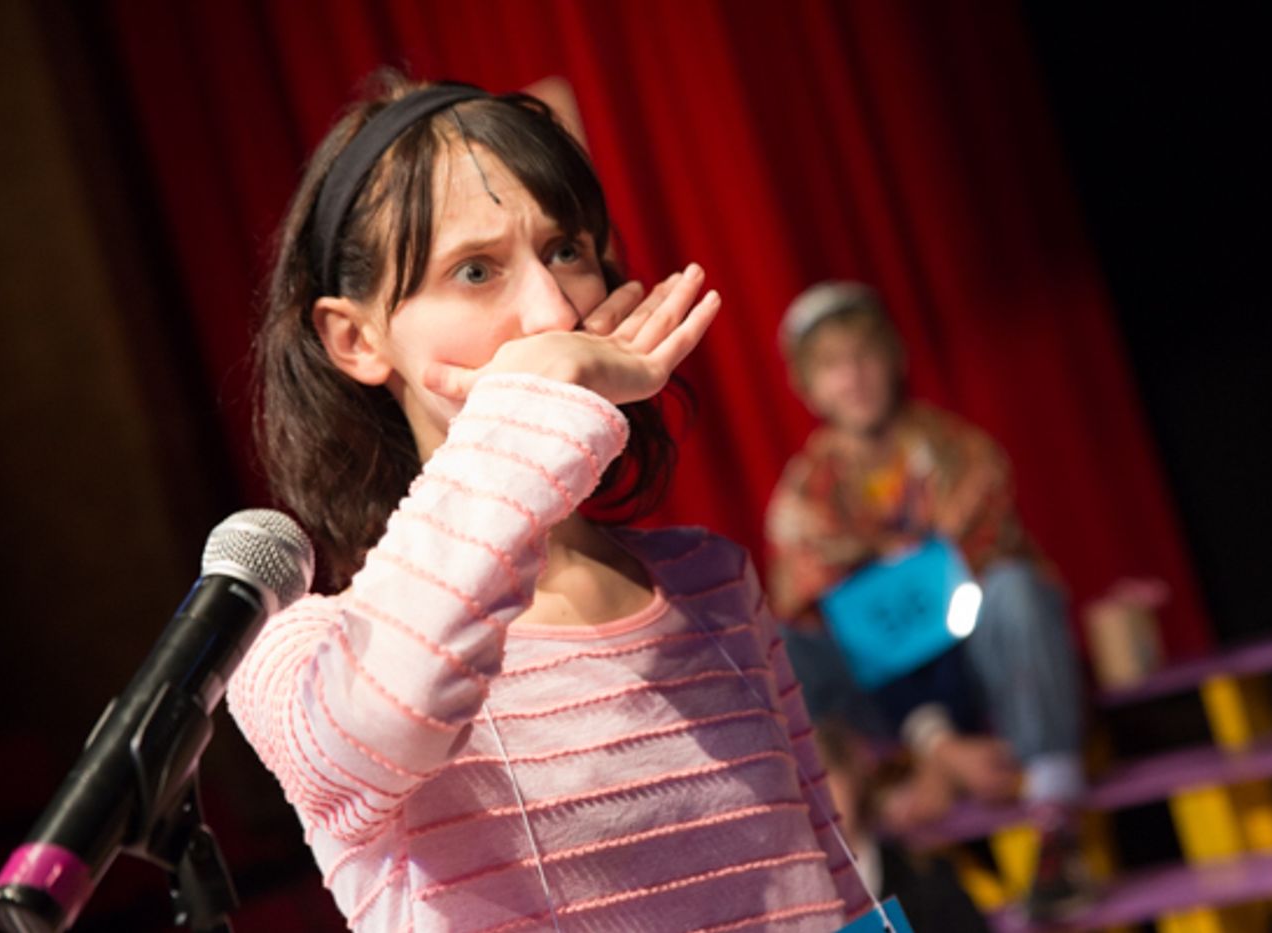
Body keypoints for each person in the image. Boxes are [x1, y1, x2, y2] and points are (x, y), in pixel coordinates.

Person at [225, 72, 872, 932]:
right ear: (355, 336)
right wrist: (534, 399)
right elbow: (394, 709)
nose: (552, 308)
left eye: (565, 249)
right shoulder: (305, 651)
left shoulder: (713, 581)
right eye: (477, 269)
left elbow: (833, 883)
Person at [764, 281, 1089, 920]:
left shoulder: (964, 455)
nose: (853, 378)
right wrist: (935, 747)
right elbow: (835, 628)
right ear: (809, 385)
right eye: (832, 365)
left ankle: (1056, 823)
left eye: (864, 355)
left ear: (894, 358)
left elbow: (978, 584)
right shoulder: (804, 499)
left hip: (982, 675)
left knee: (1017, 589)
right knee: (785, 641)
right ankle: (870, 823)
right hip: (887, 721)